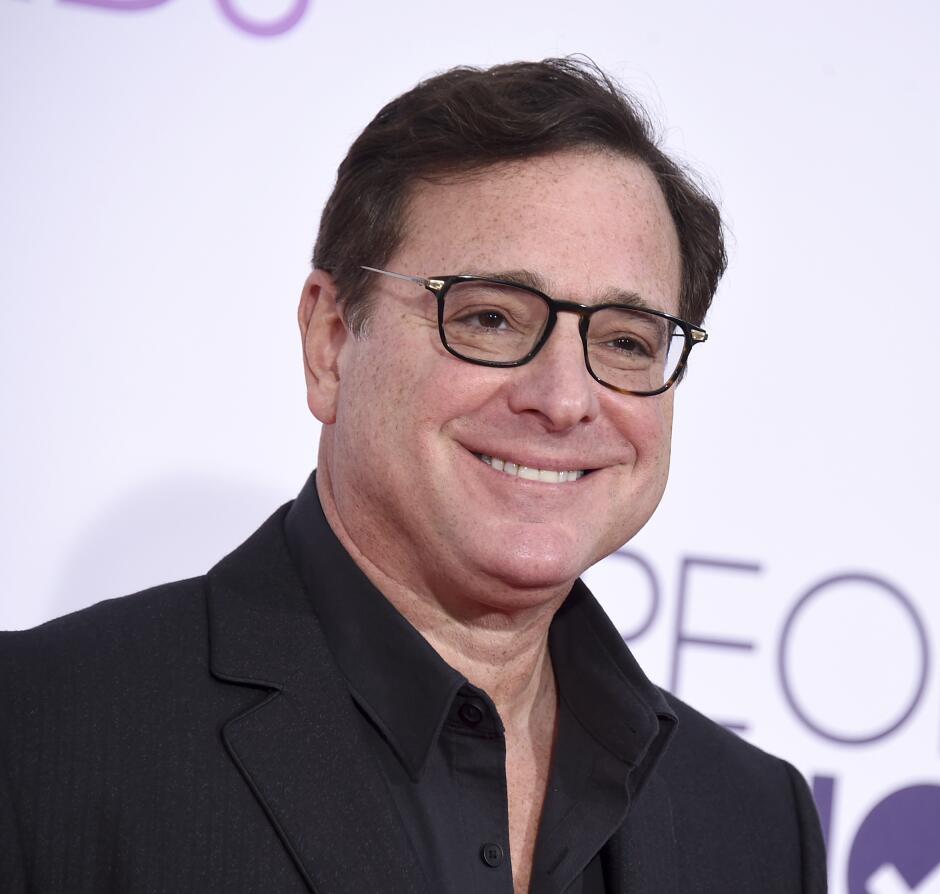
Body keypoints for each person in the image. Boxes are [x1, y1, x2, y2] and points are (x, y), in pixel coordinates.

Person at [0, 58, 827, 893]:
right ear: (330, 341)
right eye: (492, 317)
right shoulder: (36, 733)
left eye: (624, 340)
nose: (565, 398)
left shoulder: (757, 824)